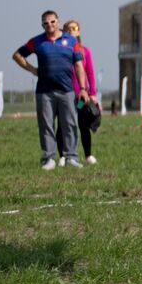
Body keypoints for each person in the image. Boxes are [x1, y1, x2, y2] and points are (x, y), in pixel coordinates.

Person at [14, 10, 88, 169]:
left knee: (70, 124)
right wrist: (33, 70)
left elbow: (79, 65)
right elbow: (18, 55)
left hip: (67, 90)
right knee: (46, 125)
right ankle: (48, 159)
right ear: (42, 25)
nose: (50, 25)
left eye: (52, 21)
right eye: (46, 23)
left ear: (58, 22)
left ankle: (71, 157)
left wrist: (82, 88)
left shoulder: (71, 41)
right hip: (44, 92)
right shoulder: (37, 41)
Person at [65, 20, 100, 165]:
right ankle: (63, 156)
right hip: (66, 94)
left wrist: (92, 93)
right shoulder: (63, 51)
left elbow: (90, 73)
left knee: (83, 124)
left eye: (75, 28)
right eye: (69, 29)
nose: (73, 30)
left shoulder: (85, 51)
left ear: (79, 31)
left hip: (81, 96)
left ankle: (88, 155)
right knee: (65, 125)